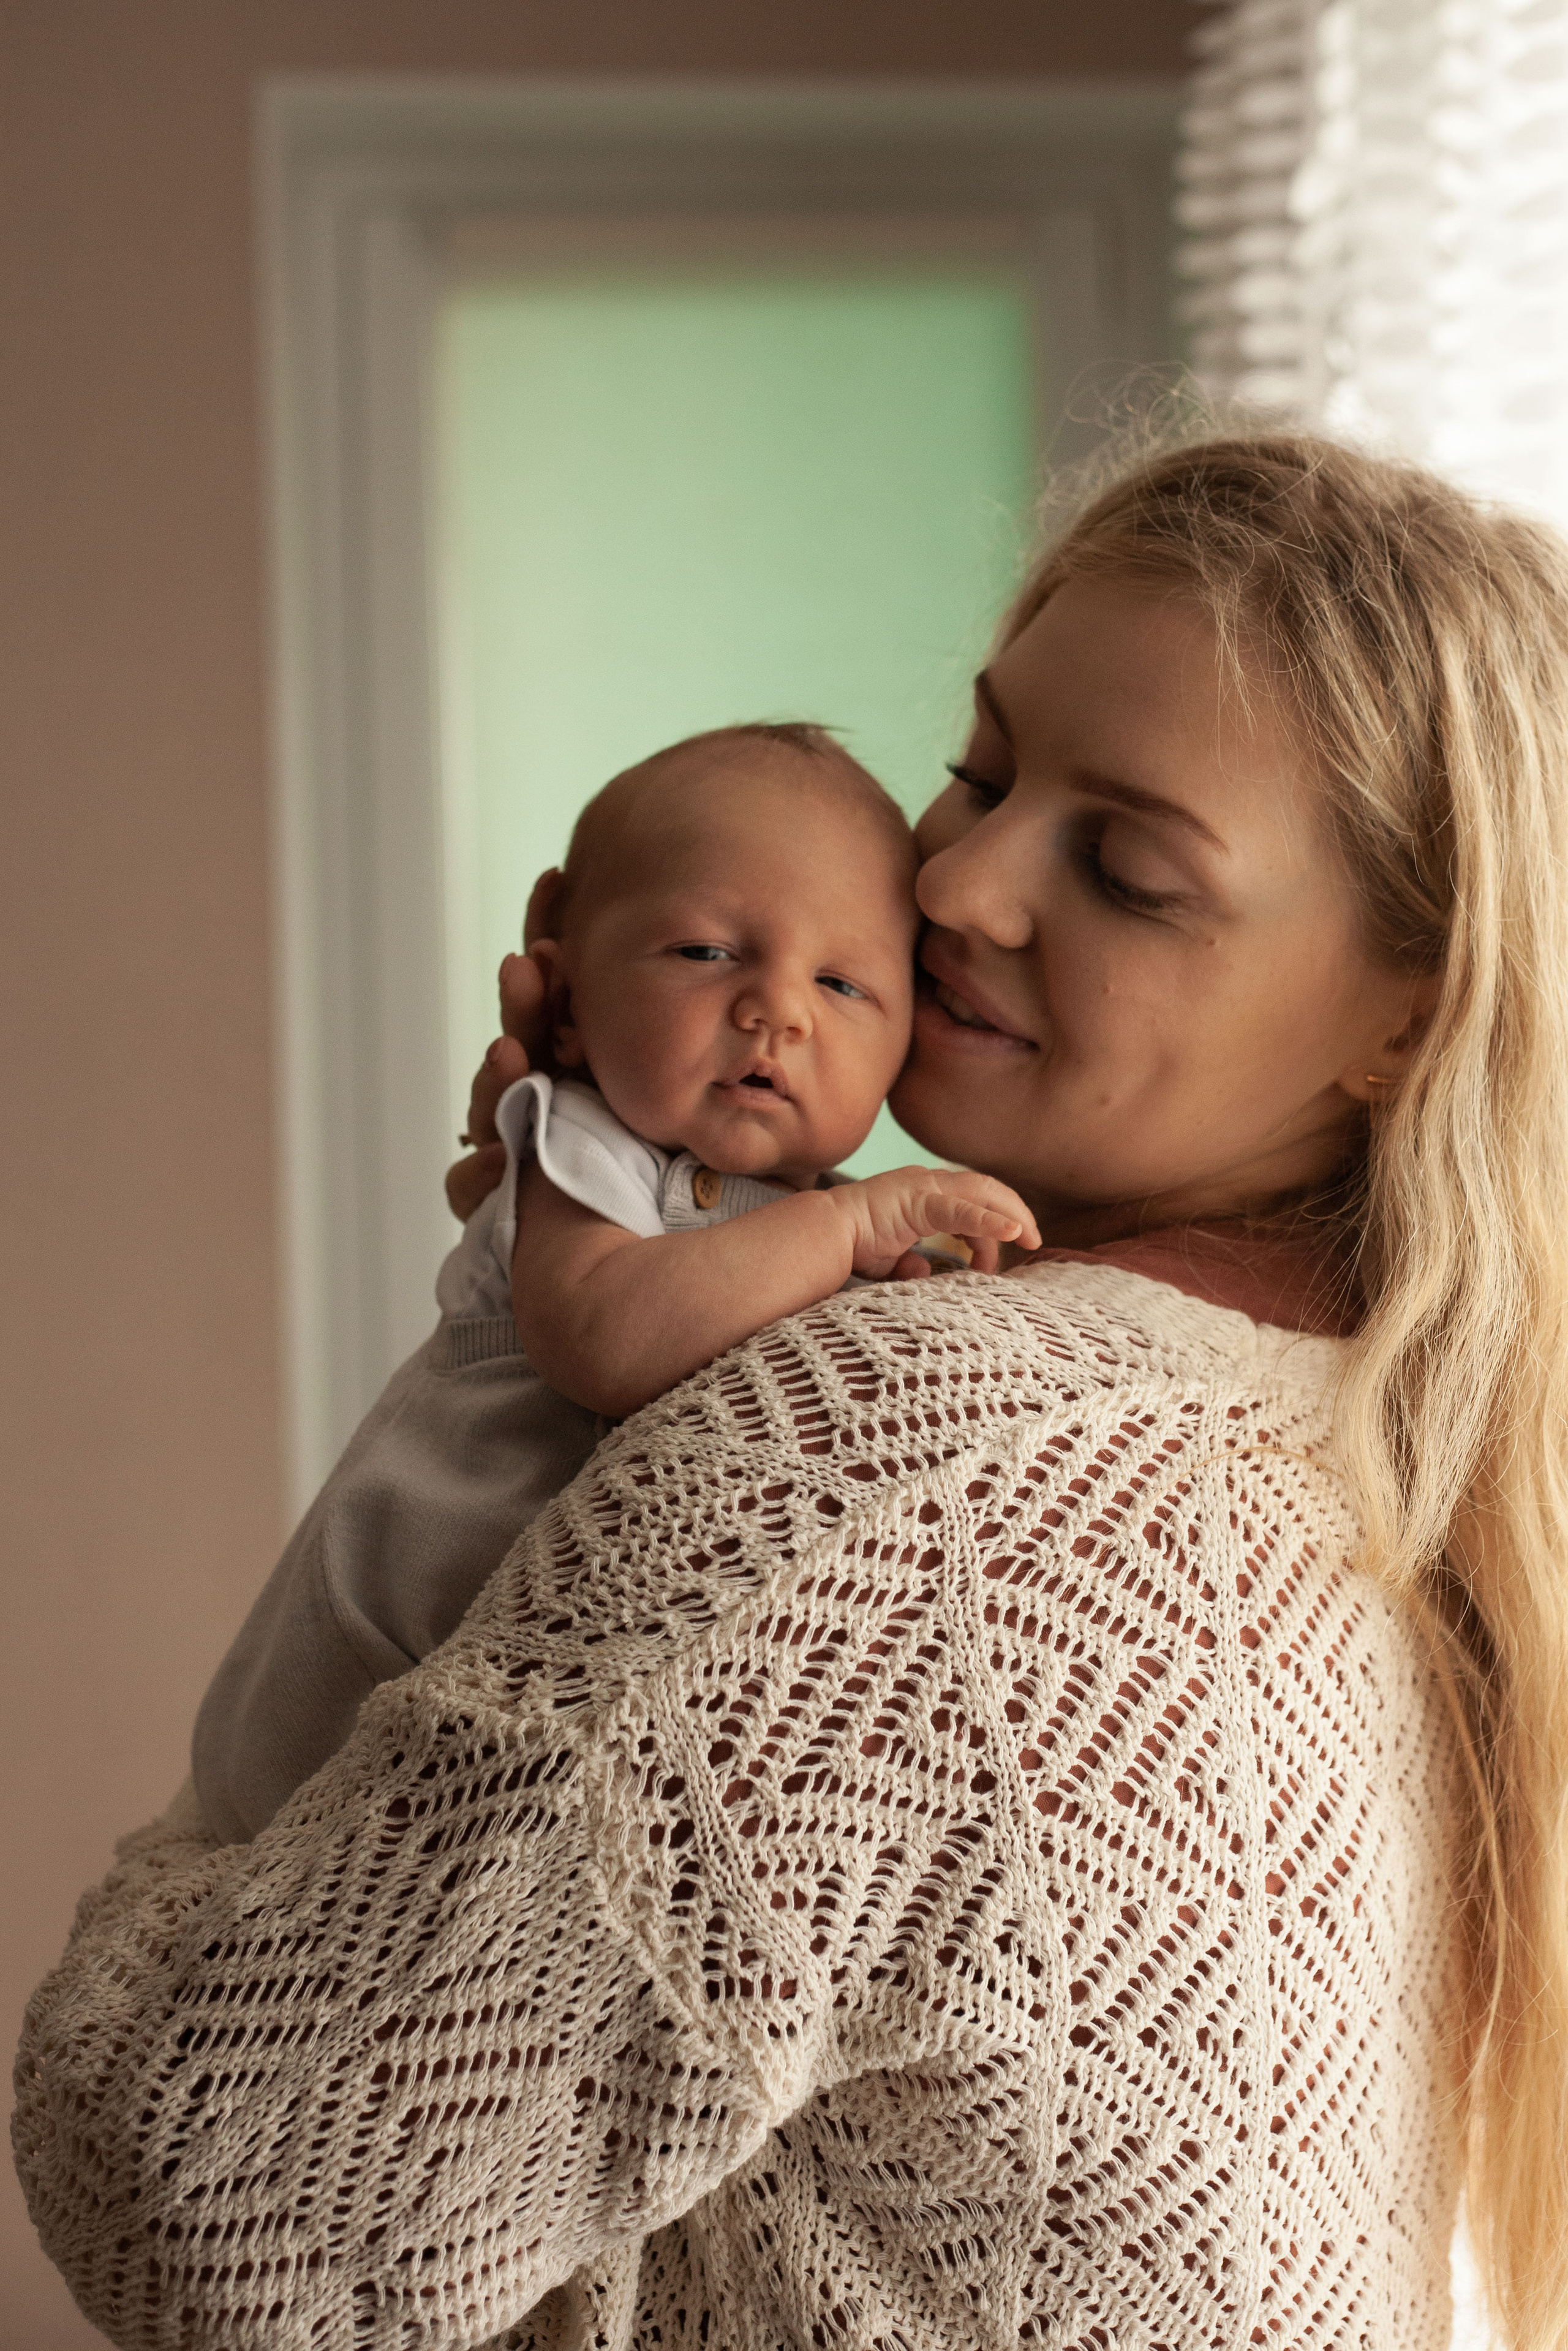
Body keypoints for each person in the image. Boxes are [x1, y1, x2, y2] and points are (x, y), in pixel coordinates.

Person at [16, 434, 1568, 2351]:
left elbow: (215, 2201)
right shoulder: (1373, 1422)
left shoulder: (917, 1448)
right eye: (986, 768)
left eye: (1130, 868)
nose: (963, 876)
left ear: (1406, 1015)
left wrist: (240, 1836)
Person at [190, 718, 1037, 1844]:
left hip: (515, 1722)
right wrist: (854, 1225)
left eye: (841, 983)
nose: (775, 1009)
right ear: (570, 980)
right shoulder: (584, 1145)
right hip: (347, 1677)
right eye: (704, 953)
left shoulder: (822, 1212)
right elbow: (604, 1339)